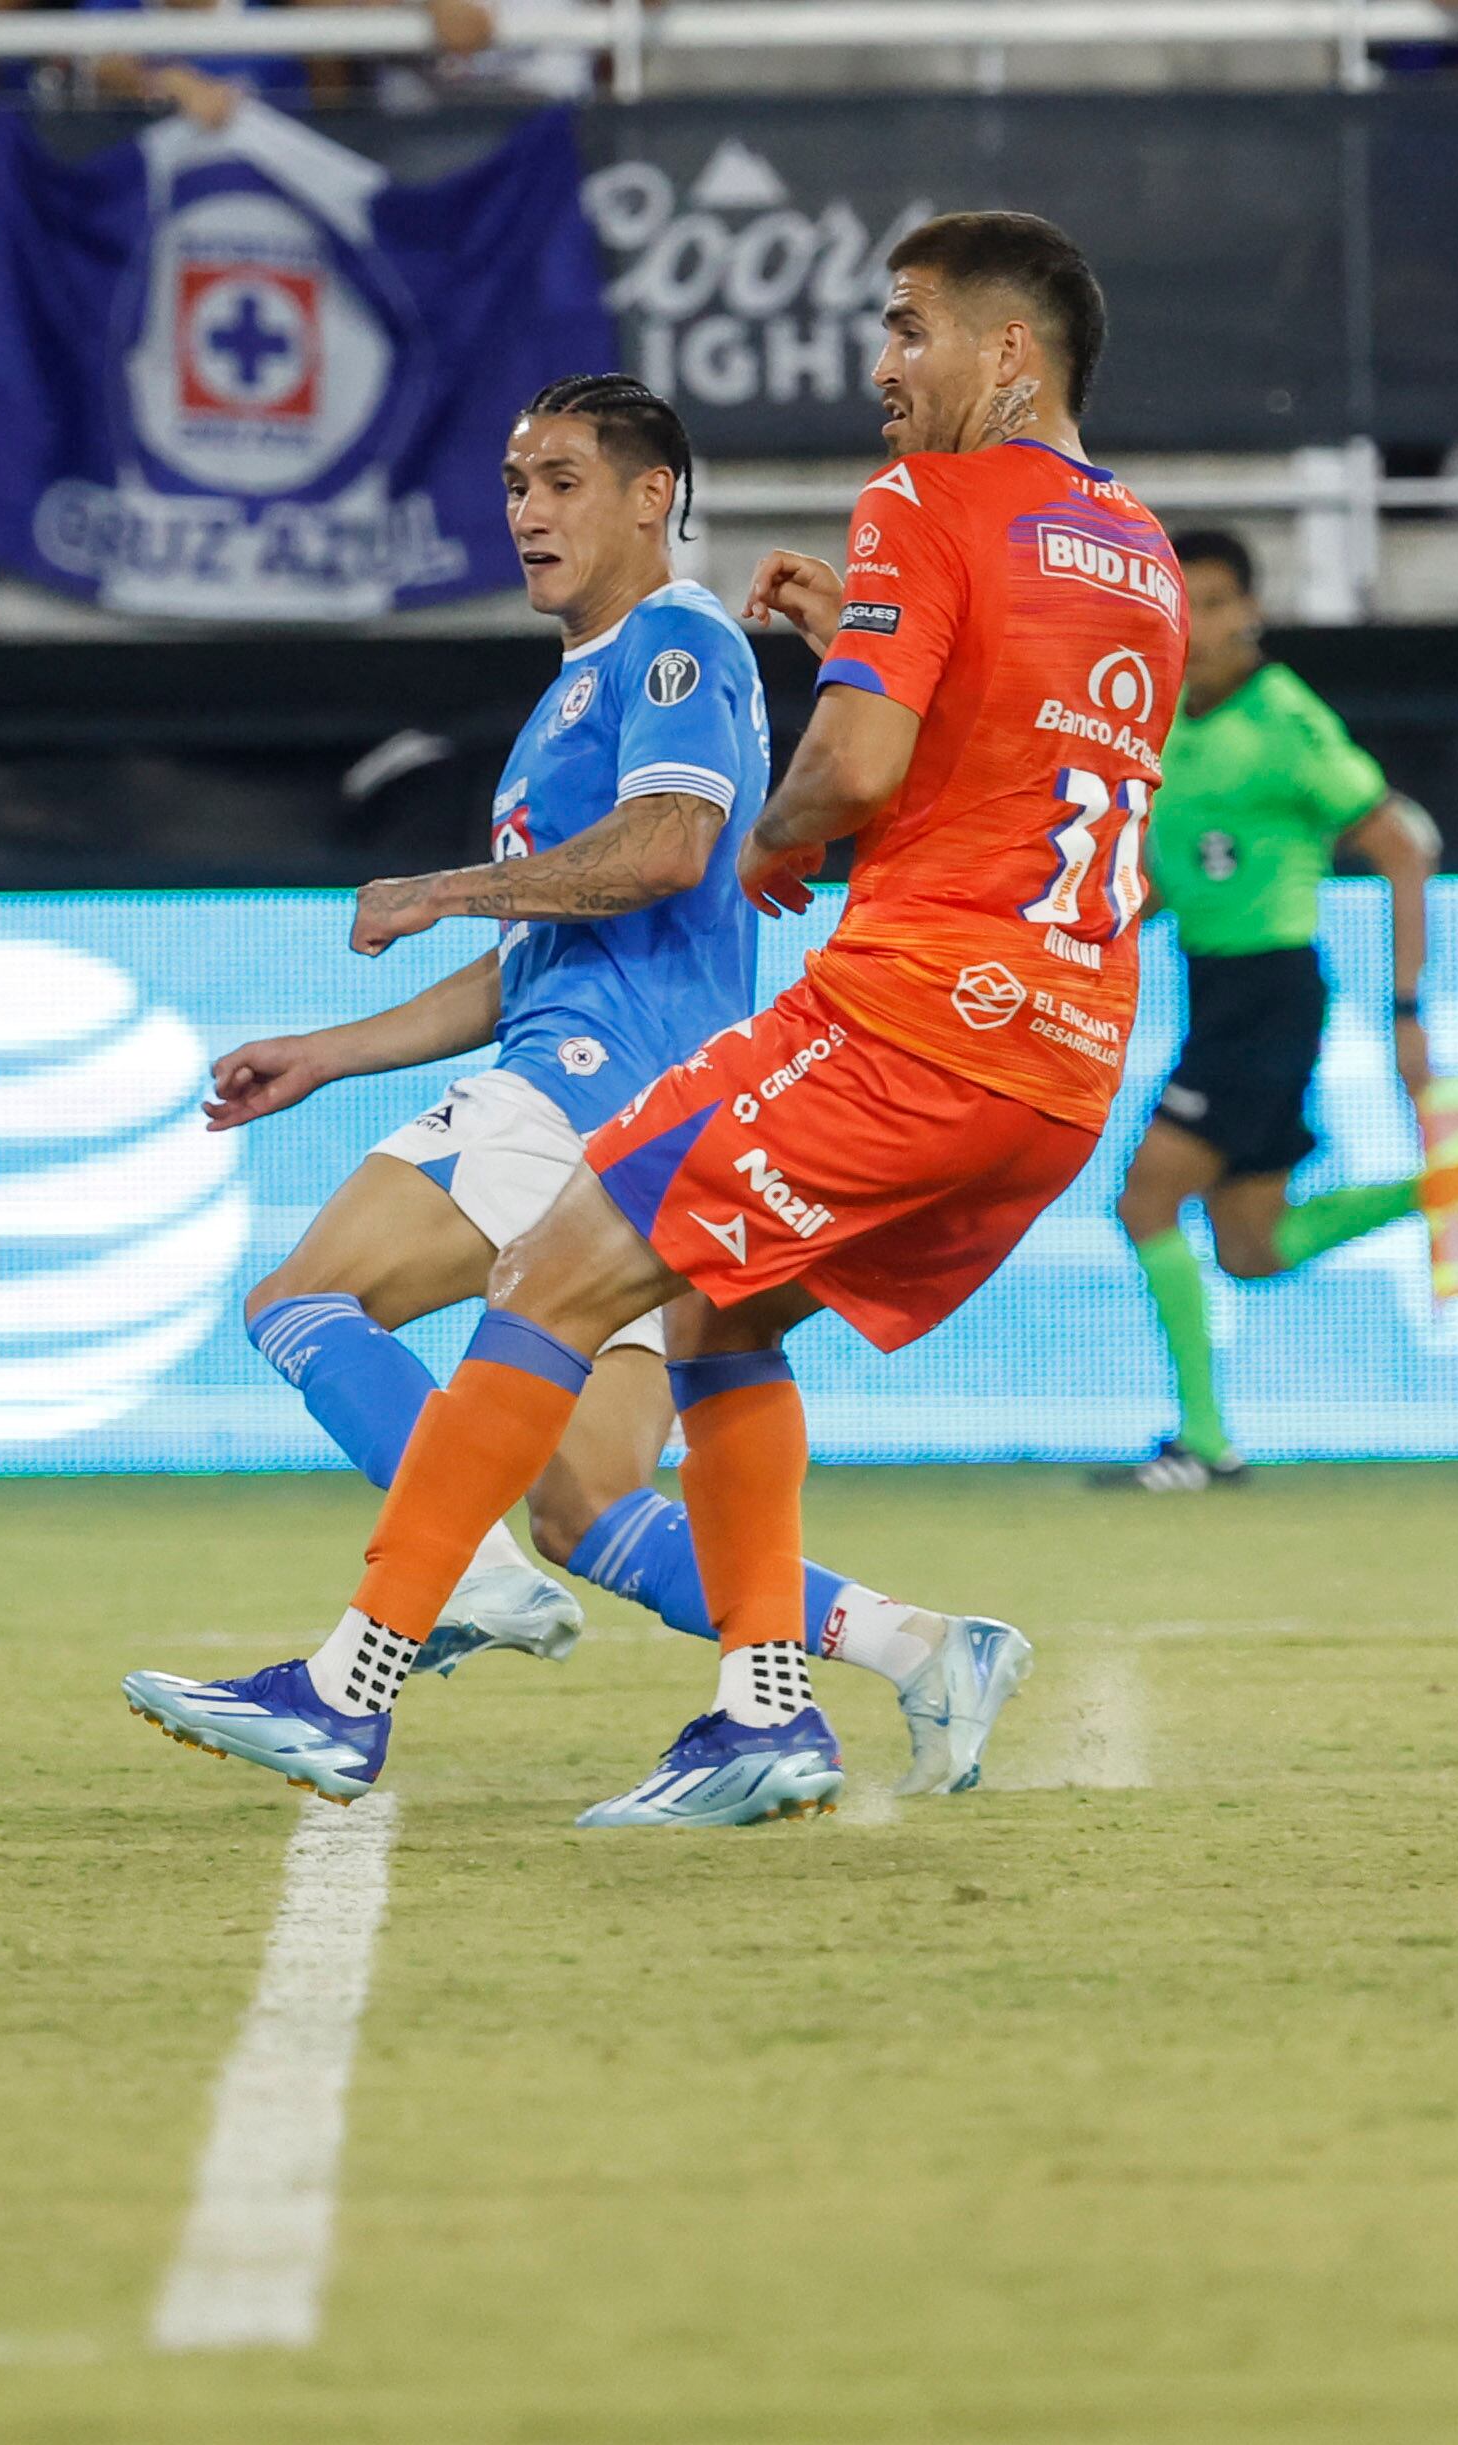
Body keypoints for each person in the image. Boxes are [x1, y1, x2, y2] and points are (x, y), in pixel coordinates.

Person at [155, 210, 1178, 1830]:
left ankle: (351, 1681)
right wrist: (861, 629)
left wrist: (778, 837)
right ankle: (772, 1706)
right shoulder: (1136, 552)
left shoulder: (906, 506)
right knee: (713, 1324)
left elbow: (834, 781)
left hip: (908, 1019)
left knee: (542, 1274)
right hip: (1061, 1055)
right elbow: (998, 757)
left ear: (1005, 352)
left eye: (905, 328)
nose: (878, 365)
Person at [1100, 530, 1438, 1491]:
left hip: (1270, 994)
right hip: (1218, 992)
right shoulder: (1166, 720)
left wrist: (1406, 1008)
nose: (1197, 625)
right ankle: (1446, 1189)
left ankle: (1203, 1442)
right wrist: (1096, 934)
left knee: (1146, 1198)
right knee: (1252, 1248)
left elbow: (1402, 845)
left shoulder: (1286, 718)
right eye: (1182, 603)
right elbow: (1186, 874)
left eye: (1214, 603)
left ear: (1250, 610)